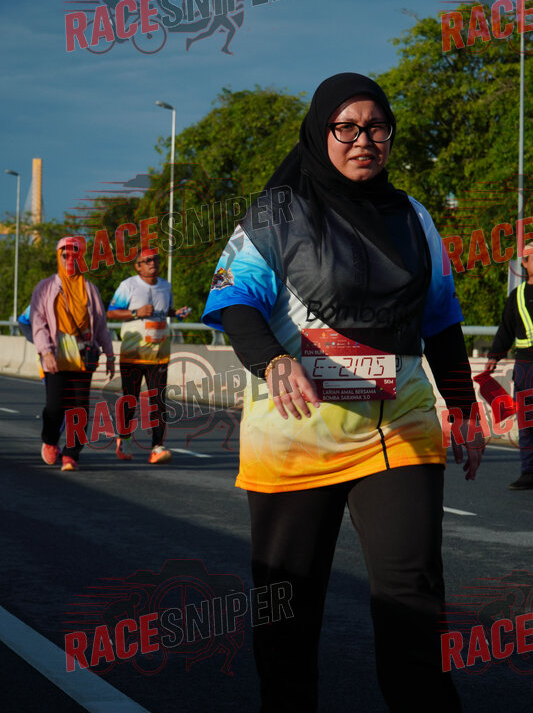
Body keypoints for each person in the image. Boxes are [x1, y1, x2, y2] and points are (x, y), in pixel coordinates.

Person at [202, 73, 486, 712]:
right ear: (320, 131)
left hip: (398, 427)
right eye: (347, 127)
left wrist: (463, 407)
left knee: (413, 598)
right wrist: (273, 361)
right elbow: (234, 300)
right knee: (288, 606)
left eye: (377, 127)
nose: (364, 140)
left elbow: (442, 320)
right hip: (296, 431)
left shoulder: (414, 217)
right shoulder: (276, 214)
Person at [31, 236, 115, 471]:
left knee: (79, 409)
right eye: (65, 255)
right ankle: (50, 441)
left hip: (83, 355)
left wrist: (109, 355)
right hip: (56, 355)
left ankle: (71, 454)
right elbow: (38, 323)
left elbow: (101, 325)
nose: (70, 259)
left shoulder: (89, 288)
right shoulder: (45, 287)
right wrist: (46, 352)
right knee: (55, 407)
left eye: (74, 255)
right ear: (58, 257)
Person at [107, 250, 190, 464]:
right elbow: (111, 312)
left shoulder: (166, 286)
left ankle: (157, 447)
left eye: (156, 259)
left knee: (158, 401)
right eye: (147, 260)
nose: (153, 263)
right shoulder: (128, 286)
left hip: (159, 354)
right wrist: (136, 313)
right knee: (130, 400)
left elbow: (164, 311)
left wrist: (176, 313)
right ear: (138, 266)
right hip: (133, 354)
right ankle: (124, 438)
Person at [485, 246, 533, 490]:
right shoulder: (518, 295)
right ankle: (529, 472)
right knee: (527, 421)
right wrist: (494, 356)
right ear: (524, 263)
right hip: (526, 367)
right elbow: (505, 330)